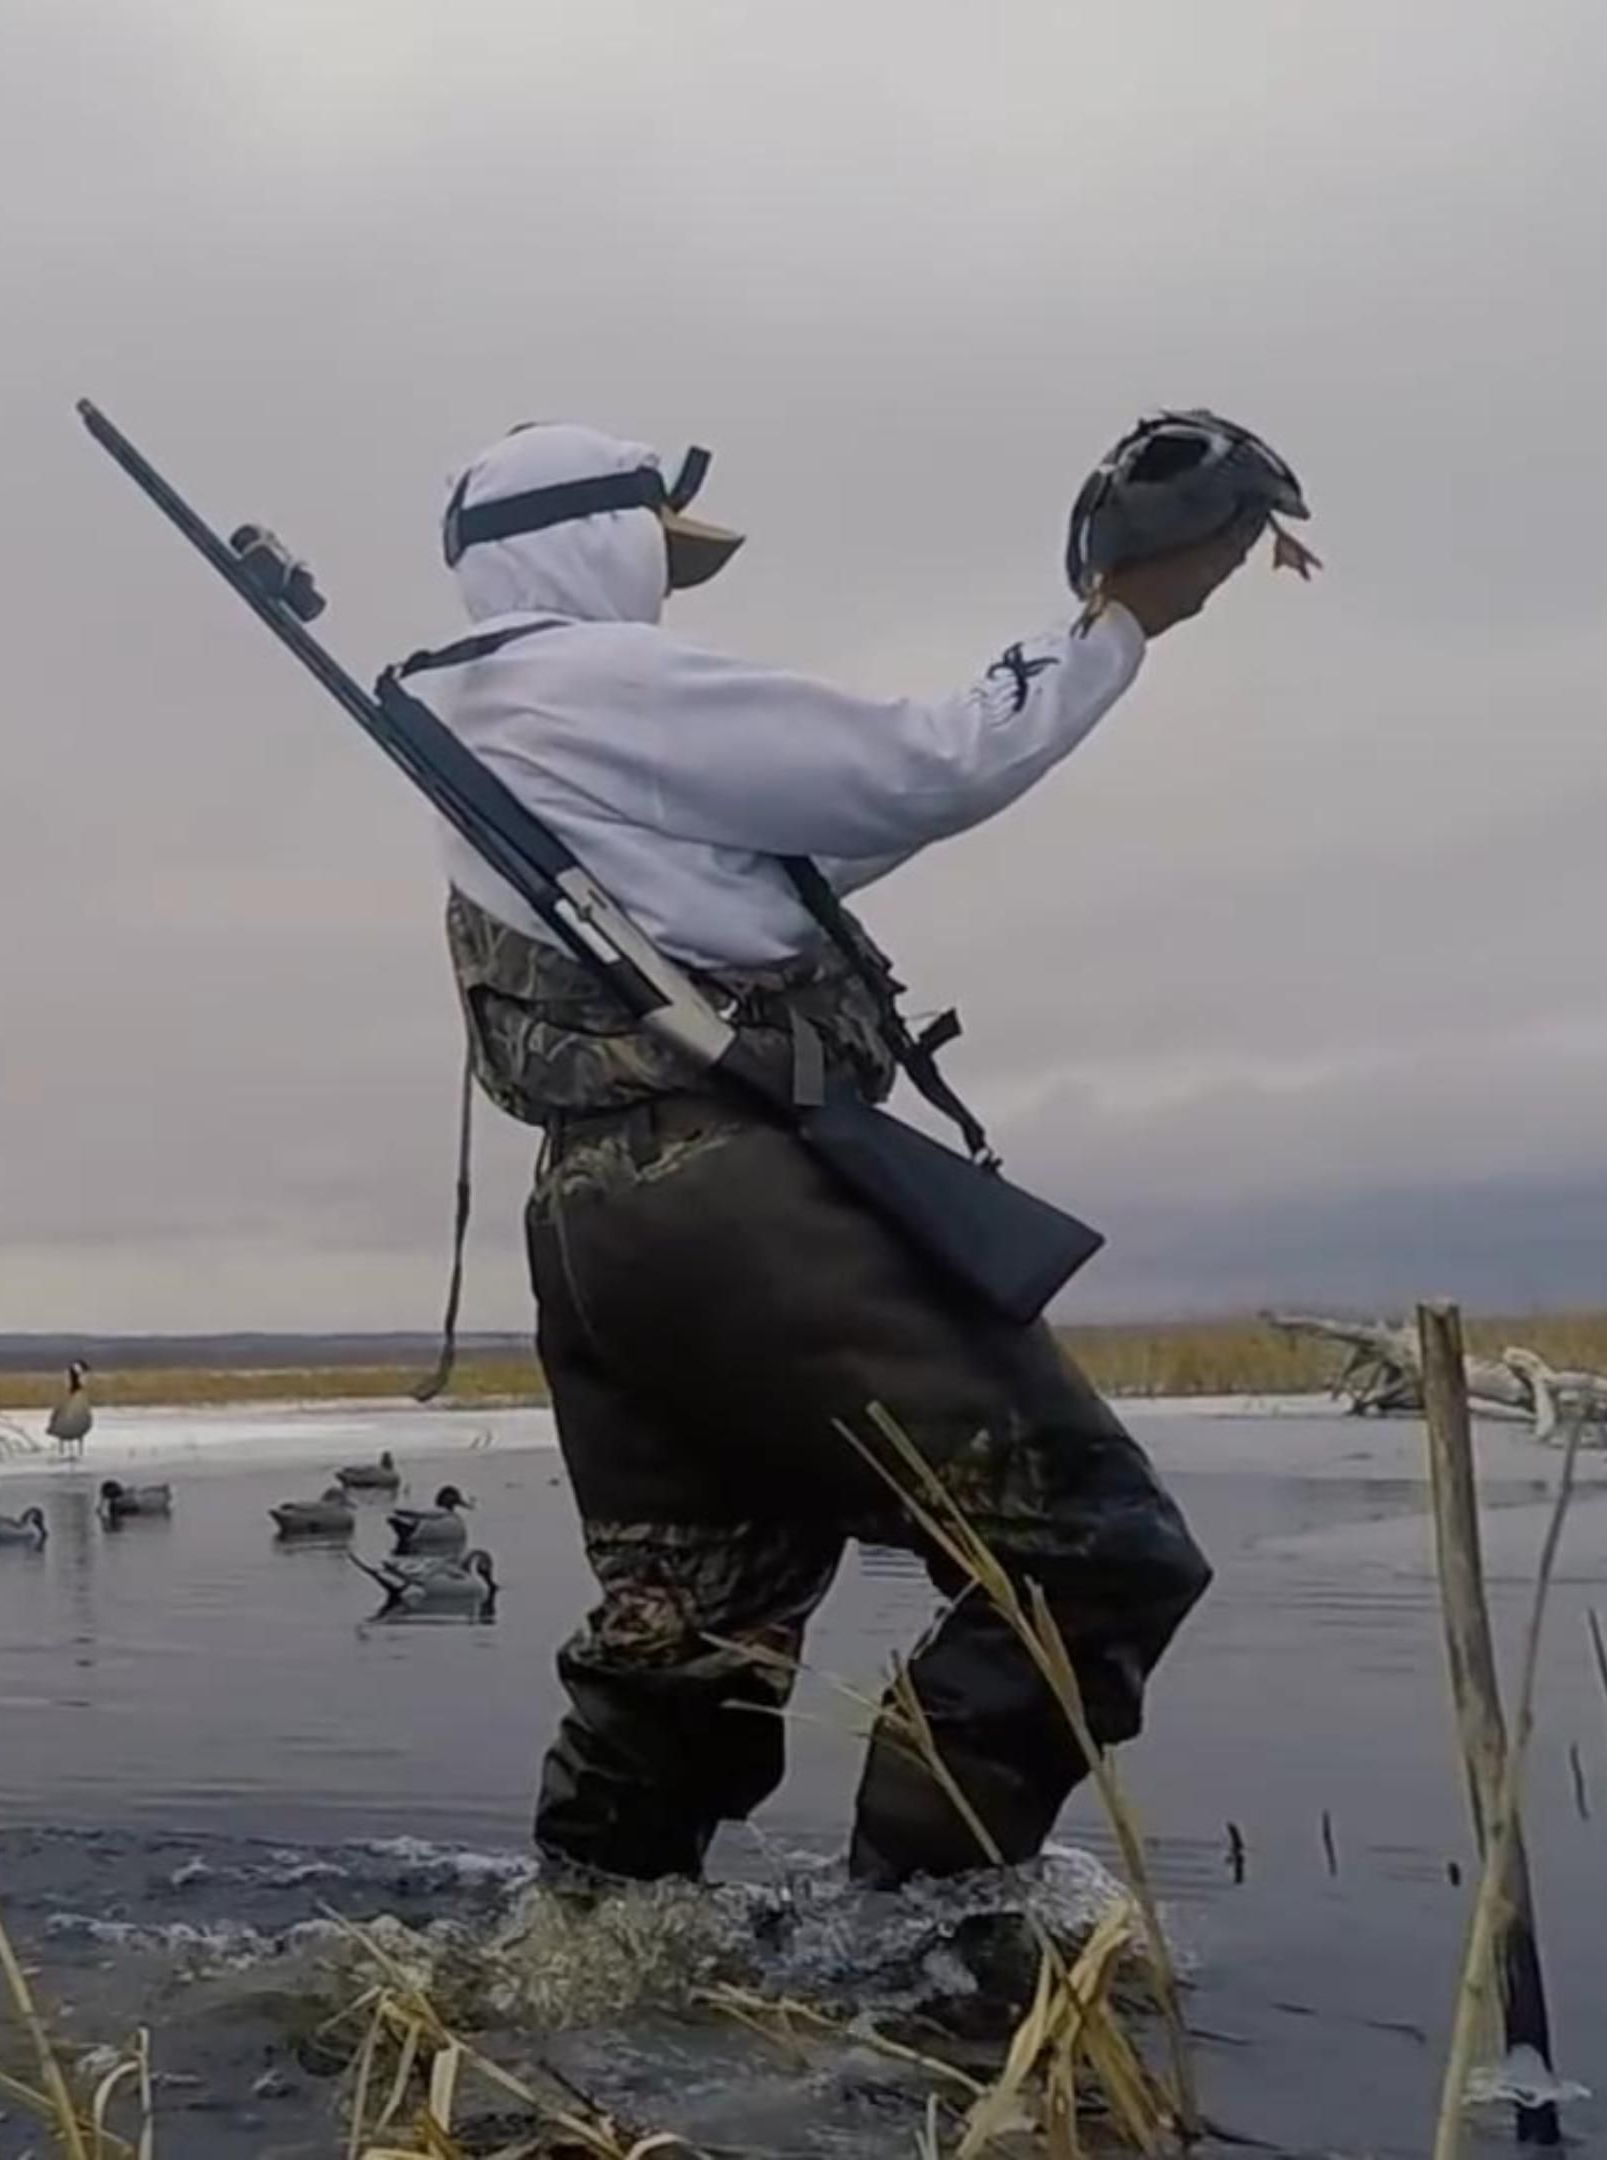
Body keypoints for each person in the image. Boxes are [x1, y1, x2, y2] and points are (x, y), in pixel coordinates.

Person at [412, 416, 1283, 1893]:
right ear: (601, 537)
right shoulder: (604, 677)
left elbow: (785, 848)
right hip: (732, 1199)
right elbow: (920, 766)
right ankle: (923, 1954)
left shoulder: (489, 712)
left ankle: (593, 1957)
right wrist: (1118, 625)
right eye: (661, 551)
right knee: (1095, 1562)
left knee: (687, 1627)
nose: (674, 589)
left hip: (593, 1226)